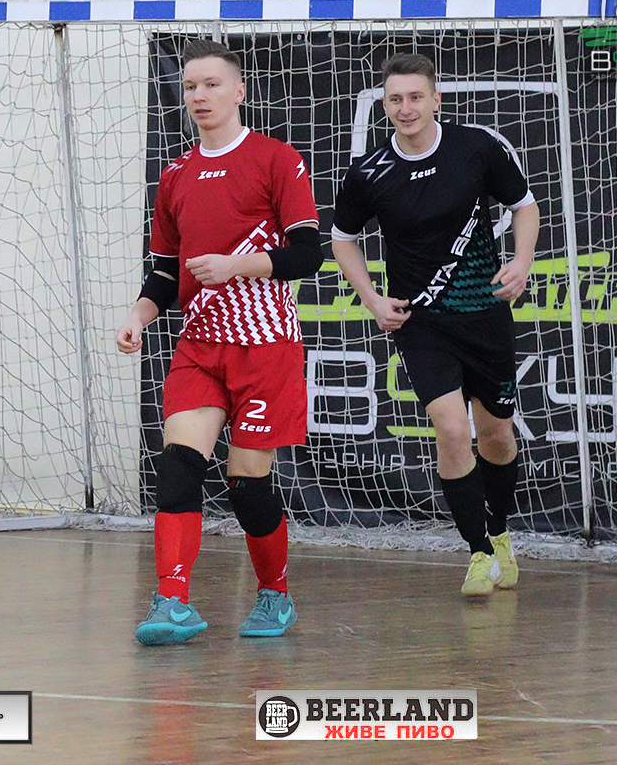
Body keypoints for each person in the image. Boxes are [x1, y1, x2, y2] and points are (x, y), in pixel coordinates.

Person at [116, 39, 322, 645]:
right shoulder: (175, 175)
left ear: (238, 91)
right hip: (200, 345)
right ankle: (172, 601)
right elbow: (164, 273)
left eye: (211, 84)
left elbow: (308, 255)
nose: (199, 96)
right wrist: (140, 315)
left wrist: (237, 266)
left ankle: (275, 593)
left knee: (248, 484)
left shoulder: (276, 159)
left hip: (265, 345)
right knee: (179, 465)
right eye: (189, 87)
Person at [330, 52, 539, 597]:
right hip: (421, 323)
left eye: (415, 97)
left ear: (436, 99)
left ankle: (500, 532)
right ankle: (477, 552)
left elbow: (525, 205)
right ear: (384, 104)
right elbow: (342, 239)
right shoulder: (369, 171)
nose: (405, 108)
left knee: (496, 434)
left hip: (484, 314)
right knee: (450, 429)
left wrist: (521, 261)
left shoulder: (476, 148)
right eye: (395, 99)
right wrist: (372, 299)